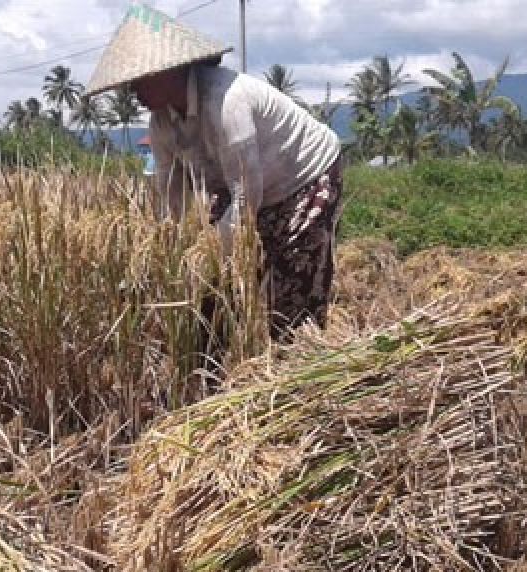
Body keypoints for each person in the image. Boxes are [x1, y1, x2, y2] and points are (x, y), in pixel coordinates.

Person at [85, 3, 344, 342]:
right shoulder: (161, 122)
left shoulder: (227, 102)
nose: (132, 91)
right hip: (243, 183)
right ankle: (221, 357)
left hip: (304, 175)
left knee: (291, 282)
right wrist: (163, 251)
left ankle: (294, 360)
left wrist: (211, 257)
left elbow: (245, 195)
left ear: (170, 70)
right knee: (220, 288)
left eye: (139, 79)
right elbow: (170, 197)